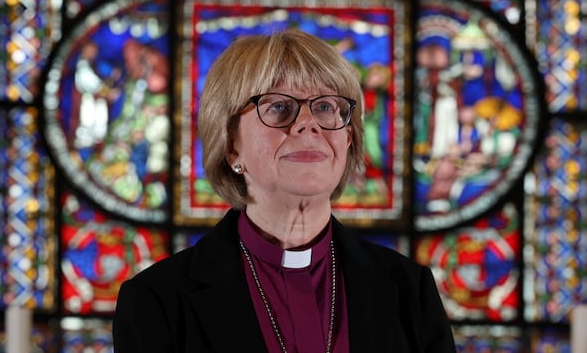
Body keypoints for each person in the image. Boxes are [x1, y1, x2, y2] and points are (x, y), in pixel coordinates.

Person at [112, 29, 456, 352]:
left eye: (325, 107)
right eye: (278, 107)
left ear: (348, 139)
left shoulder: (410, 291)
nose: (308, 124)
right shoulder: (157, 301)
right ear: (231, 145)